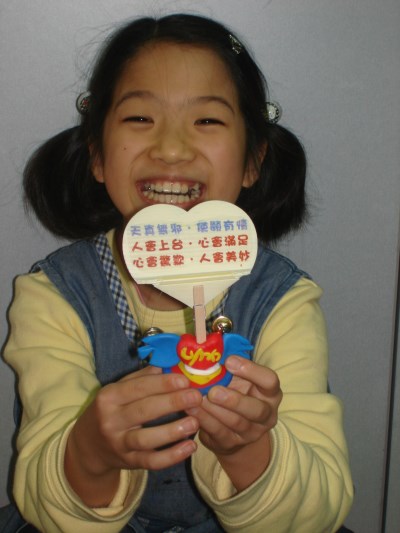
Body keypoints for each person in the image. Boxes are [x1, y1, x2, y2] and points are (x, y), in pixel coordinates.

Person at [2, 13, 353, 533]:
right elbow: (41, 497)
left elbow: (320, 507)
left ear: (253, 160)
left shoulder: (283, 300)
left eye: (207, 120)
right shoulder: (54, 295)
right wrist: (91, 452)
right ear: (97, 155)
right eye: (139, 117)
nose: (170, 147)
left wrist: (248, 448)